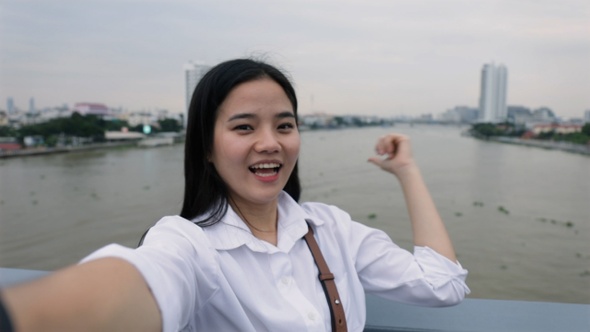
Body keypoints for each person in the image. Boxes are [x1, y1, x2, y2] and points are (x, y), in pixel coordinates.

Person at [0, 58, 469, 331]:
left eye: (284, 125)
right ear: (206, 146)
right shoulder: (189, 245)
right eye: (244, 127)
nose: (270, 142)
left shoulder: (332, 230)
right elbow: (139, 282)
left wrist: (407, 172)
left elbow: (442, 286)